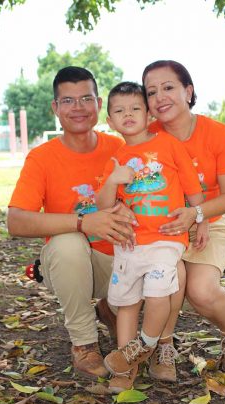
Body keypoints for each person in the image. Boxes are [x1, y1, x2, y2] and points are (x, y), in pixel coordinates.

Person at [7, 66, 137, 379]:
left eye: (85, 99)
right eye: (67, 101)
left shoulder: (121, 148)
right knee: (68, 243)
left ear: (98, 103)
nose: (77, 108)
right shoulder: (42, 157)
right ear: (55, 108)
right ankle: (84, 343)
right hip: (69, 264)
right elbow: (16, 221)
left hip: (121, 260)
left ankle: (111, 309)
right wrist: (82, 223)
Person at [96, 81, 209, 392]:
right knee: (127, 303)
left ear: (149, 116)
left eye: (135, 108)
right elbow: (103, 206)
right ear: (110, 121)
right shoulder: (116, 160)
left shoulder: (168, 145)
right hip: (129, 244)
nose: (128, 114)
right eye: (119, 110)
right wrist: (113, 181)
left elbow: (192, 188)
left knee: (159, 293)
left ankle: (144, 344)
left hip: (165, 239)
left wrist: (202, 221)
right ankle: (125, 366)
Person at [141, 60, 225, 380]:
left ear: (188, 92)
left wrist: (197, 213)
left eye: (169, 87)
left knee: (201, 291)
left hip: (209, 222)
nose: (160, 96)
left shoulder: (217, 133)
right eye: (151, 91)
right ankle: (164, 346)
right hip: (160, 226)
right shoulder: (144, 137)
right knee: (169, 280)